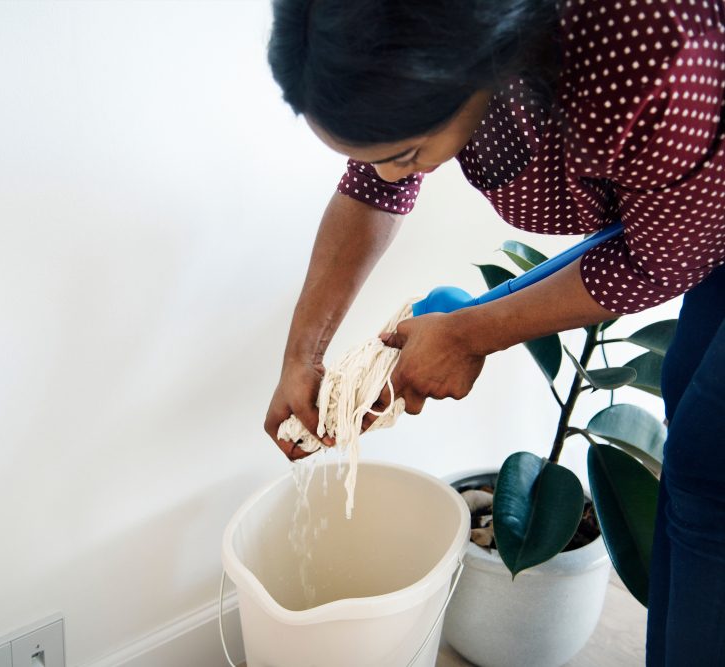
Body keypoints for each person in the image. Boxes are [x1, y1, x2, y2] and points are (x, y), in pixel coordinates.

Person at [261, 0, 725, 664]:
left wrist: (471, 333)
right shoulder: (417, 41)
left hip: (696, 215)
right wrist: (301, 356)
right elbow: (374, 181)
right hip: (703, 209)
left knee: (712, 476)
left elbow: (660, 256)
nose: (395, 174)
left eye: (409, 153)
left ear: (478, 60)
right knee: (690, 415)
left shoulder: (644, 45)